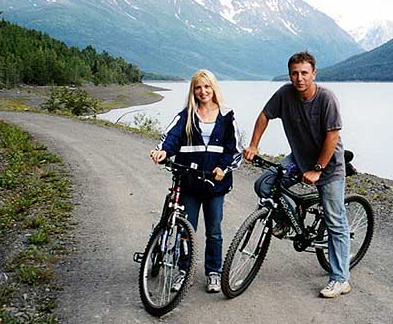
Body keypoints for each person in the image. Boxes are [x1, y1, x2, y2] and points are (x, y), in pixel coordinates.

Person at [243, 51, 351, 298]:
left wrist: (318, 169)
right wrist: (253, 145)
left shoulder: (326, 99)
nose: (299, 78)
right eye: (294, 73)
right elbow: (264, 115)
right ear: (290, 74)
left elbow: (332, 136)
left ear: (314, 74)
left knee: (335, 222)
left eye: (304, 73)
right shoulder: (284, 94)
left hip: (329, 165)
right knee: (265, 183)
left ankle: (340, 278)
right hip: (299, 158)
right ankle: (285, 218)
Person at [150, 69, 242, 293]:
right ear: (194, 90)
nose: (203, 91)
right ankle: (185, 271)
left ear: (214, 88)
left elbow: (235, 149)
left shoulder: (227, 116)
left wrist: (224, 167)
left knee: (214, 232)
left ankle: (213, 272)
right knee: (185, 231)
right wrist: (162, 151)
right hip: (189, 182)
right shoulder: (186, 115)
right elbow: (170, 138)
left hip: (215, 184)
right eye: (198, 87)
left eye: (207, 87)